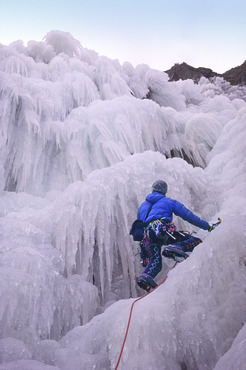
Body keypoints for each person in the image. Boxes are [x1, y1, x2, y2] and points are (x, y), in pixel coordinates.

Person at [131, 180, 213, 292]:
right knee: (194, 240)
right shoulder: (169, 202)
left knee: (156, 262)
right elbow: (189, 216)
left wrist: (144, 254)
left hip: (147, 237)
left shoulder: (142, 206)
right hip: (161, 231)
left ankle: (146, 276)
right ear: (165, 191)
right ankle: (176, 247)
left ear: (153, 189)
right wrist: (207, 226)